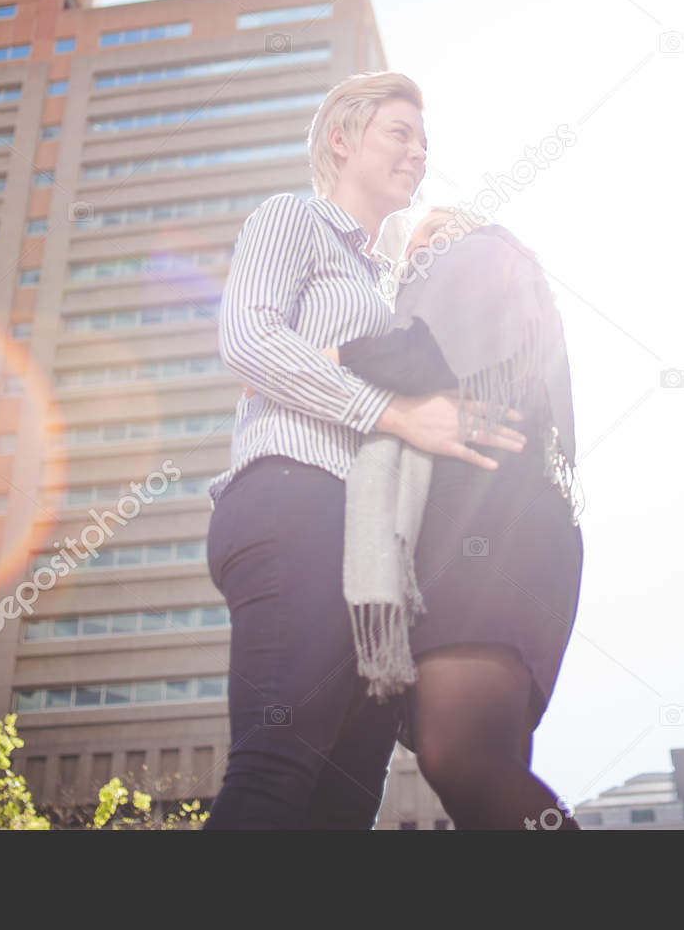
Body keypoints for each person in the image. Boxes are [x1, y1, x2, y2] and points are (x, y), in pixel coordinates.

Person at [201, 76, 528, 830]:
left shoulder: (393, 289)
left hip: (374, 551)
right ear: (342, 140)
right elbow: (249, 339)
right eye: (399, 133)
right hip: (295, 496)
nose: (418, 153)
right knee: (276, 769)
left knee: (343, 807)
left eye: (424, 142)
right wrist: (393, 412)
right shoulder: (293, 219)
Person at [333, 206, 585, 830]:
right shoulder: (483, 289)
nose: (422, 252)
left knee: (461, 758)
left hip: (492, 530)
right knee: (481, 787)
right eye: (414, 248)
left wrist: (324, 356)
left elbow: (421, 355)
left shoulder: (482, 253)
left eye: (437, 233)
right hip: (494, 530)